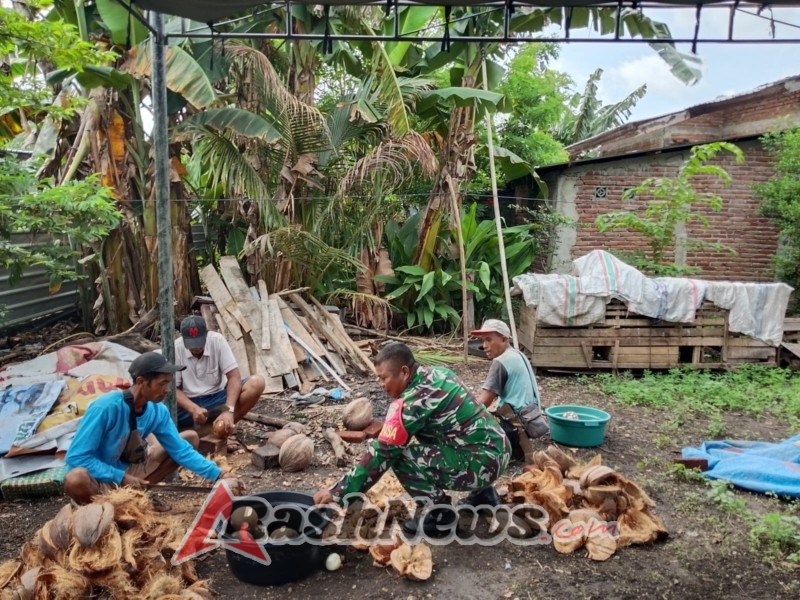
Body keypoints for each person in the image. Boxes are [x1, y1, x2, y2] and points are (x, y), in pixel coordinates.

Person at [313, 343, 511, 537]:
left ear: (405, 372)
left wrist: (339, 491)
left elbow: (382, 453)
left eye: (384, 378)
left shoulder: (411, 403)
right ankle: (484, 494)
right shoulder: (439, 373)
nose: (381, 385)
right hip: (500, 448)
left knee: (401, 457)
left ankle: (441, 516)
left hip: (483, 463)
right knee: (441, 435)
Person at [65, 352, 241, 506]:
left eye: (169, 384)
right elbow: (76, 457)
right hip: (99, 477)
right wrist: (119, 477)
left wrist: (219, 475)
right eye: (162, 384)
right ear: (142, 382)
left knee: (187, 439)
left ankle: (137, 496)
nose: (167, 390)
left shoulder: (157, 411)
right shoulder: (106, 407)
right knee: (75, 478)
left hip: (129, 470)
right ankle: (111, 510)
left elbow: (180, 450)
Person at [471, 318, 549, 462]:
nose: (484, 346)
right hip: (532, 419)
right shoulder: (518, 354)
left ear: (504, 339)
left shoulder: (501, 361)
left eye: (489, 340)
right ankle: (514, 447)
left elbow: (483, 403)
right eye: (483, 341)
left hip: (517, 426)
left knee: (471, 420)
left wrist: (459, 417)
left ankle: (509, 447)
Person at [174, 315, 265, 437]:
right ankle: (195, 434)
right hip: (188, 406)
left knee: (257, 383)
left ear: (206, 334)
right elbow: (173, 389)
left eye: (199, 343)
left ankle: (219, 430)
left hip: (215, 400)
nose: (195, 348)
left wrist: (228, 410)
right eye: (191, 344)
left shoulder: (217, 341)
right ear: (183, 338)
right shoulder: (176, 348)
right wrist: (193, 408)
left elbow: (234, 377)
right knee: (160, 409)